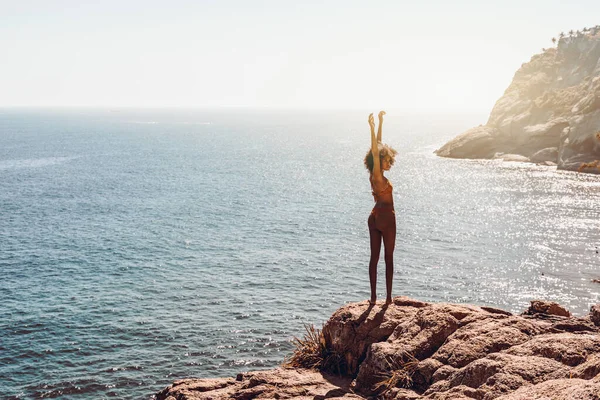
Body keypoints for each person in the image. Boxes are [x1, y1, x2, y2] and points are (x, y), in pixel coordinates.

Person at [364, 111, 398, 305]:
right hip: (386, 218)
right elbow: (376, 151)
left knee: (374, 258)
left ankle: (374, 298)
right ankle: (388, 299)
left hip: (374, 217)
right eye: (386, 160)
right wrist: (371, 128)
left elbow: (378, 147)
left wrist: (380, 123)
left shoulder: (374, 175)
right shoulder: (377, 175)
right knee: (388, 258)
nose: (388, 162)